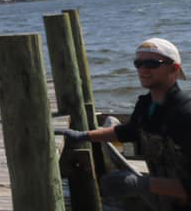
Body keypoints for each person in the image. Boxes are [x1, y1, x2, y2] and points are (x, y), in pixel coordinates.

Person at [57, 38, 191, 210]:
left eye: (151, 63)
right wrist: (84, 136)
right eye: (138, 63)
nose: (143, 69)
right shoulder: (146, 105)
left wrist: (142, 183)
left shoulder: (185, 114)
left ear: (174, 68)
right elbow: (129, 131)